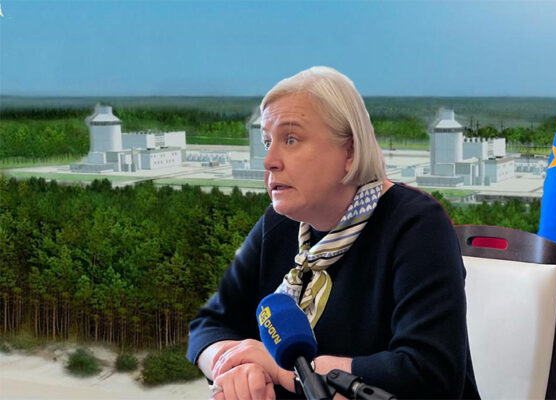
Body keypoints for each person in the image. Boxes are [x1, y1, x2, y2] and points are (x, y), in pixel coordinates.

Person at [186, 66, 480, 400]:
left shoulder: (417, 224)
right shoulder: (278, 224)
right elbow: (208, 326)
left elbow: (430, 375)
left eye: (291, 139)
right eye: (267, 142)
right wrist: (233, 365)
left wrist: (288, 372)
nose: (269, 160)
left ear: (349, 152)